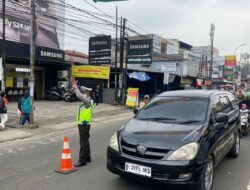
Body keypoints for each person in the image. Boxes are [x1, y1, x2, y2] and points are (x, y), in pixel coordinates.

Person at [70, 77, 94, 167]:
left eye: (84, 92)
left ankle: (82, 160)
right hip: (84, 123)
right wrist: (75, 86)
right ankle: (87, 157)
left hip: (84, 124)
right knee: (86, 140)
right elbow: (78, 94)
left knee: (83, 142)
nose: (82, 94)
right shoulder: (87, 101)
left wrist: (74, 85)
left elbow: (79, 95)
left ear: (87, 94)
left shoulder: (87, 101)